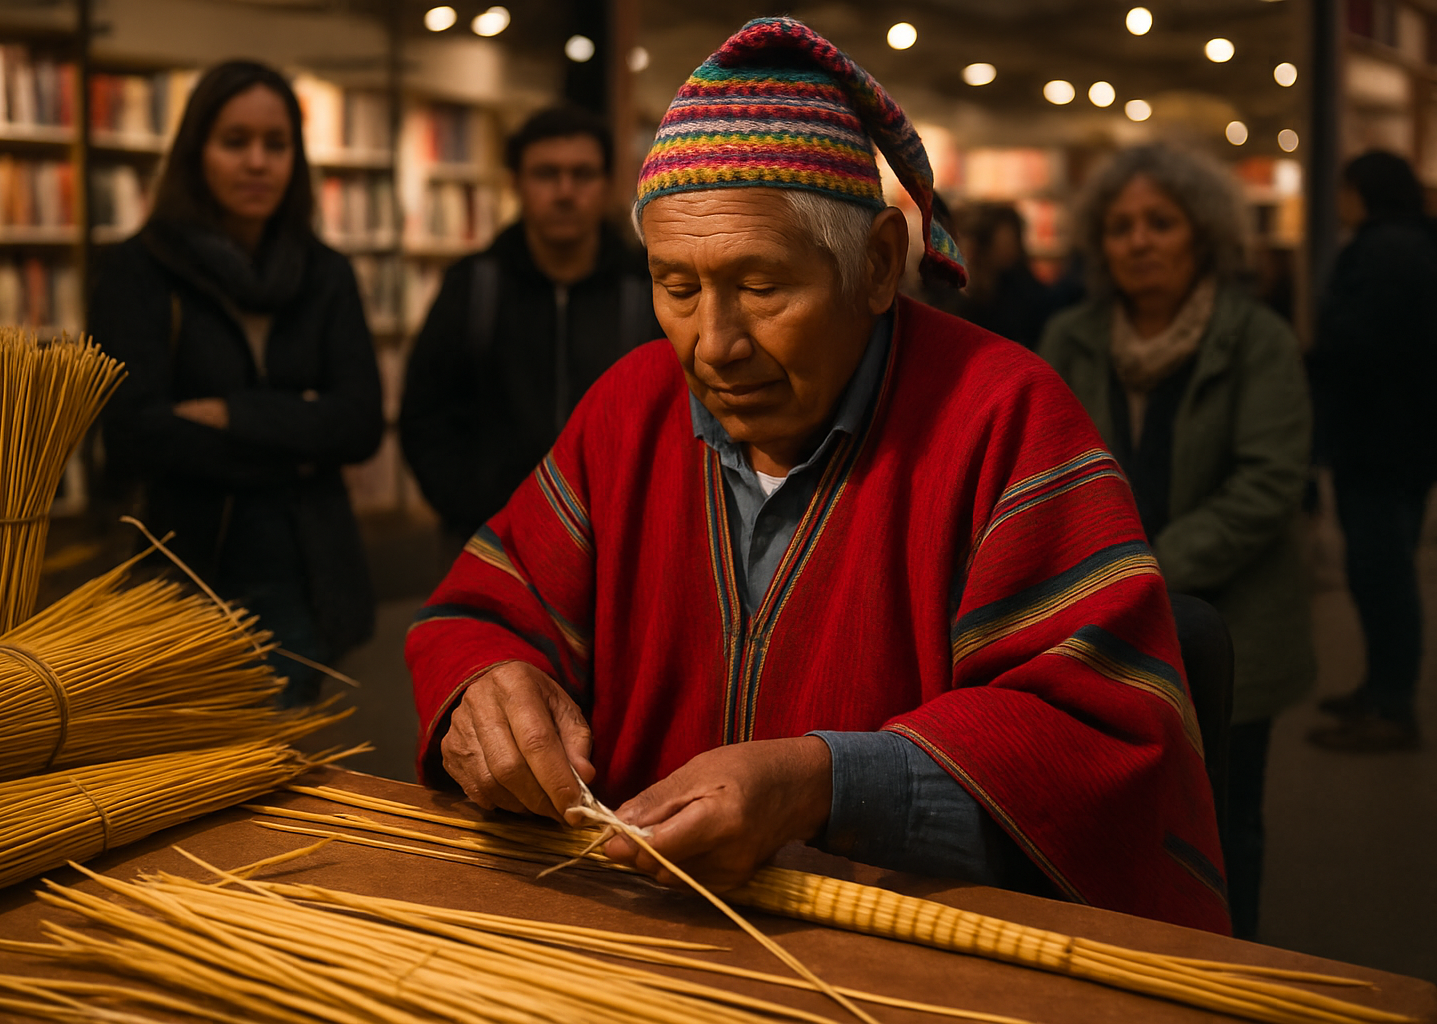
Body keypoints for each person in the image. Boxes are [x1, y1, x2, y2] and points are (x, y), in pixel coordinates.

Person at [406, 19, 1229, 934]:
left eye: (761, 287)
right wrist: (488, 687)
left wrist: (823, 785)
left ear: (877, 264)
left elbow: (1100, 742)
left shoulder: (1003, 420)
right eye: (676, 288)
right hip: (633, 935)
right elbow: (480, 612)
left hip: (896, 962)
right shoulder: (628, 410)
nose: (713, 346)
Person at [1039, 144, 1314, 940]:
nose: (1140, 241)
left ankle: (1230, 974)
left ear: (1203, 235)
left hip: (1232, 628)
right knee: (1106, 819)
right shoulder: (1070, 336)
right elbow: (1041, 468)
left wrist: (1138, 571)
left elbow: (1266, 485)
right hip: (1098, 630)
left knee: (1226, 824)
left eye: (1161, 221)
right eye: (1121, 225)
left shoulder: (1255, 339)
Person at [90, 61, 382, 706]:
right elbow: (133, 433)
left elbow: (360, 423)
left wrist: (231, 413)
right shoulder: (138, 272)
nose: (257, 162)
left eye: (275, 145)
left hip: (304, 565)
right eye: (235, 141)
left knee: (295, 769)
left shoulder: (325, 272)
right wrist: (300, 435)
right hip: (183, 563)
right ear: (197, 153)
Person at [399, 105, 662, 542]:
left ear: (607, 184)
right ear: (516, 182)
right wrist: (471, 510)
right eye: (546, 174)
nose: (564, 191)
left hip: (623, 544)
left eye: (582, 174)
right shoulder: (475, 285)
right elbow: (425, 413)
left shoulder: (646, 288)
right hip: (494, 540)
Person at [1308, 150, 1437, 752]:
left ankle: (1391, 704)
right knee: (1386, 569)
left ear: (1364, 191)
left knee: (1382, 573)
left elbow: (1360, 343)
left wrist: (1313, 360)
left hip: (1380, 441)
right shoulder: (1416, 243)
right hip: (1407, 439)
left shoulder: (1382, 251)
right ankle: (1383, 688)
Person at [958, 203, 1053, 347]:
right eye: (1005, 242)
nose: (1010, 248)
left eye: (1012, 241)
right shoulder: (962, 291)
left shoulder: (1022, 288)